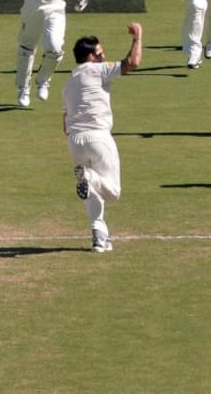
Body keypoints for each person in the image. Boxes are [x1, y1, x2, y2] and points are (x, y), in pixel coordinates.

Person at [62, 22, 143, 252]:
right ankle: (89, 177)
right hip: (98, 137)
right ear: (90, 57)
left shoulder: (68, 85)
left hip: (75, 141)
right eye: (100, 53)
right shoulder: (97, 70)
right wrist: (137, 38)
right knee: (113, 192)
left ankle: (99, 238)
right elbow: (132, 63)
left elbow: (65, 125)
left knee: (92, 193)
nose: (104, 56)